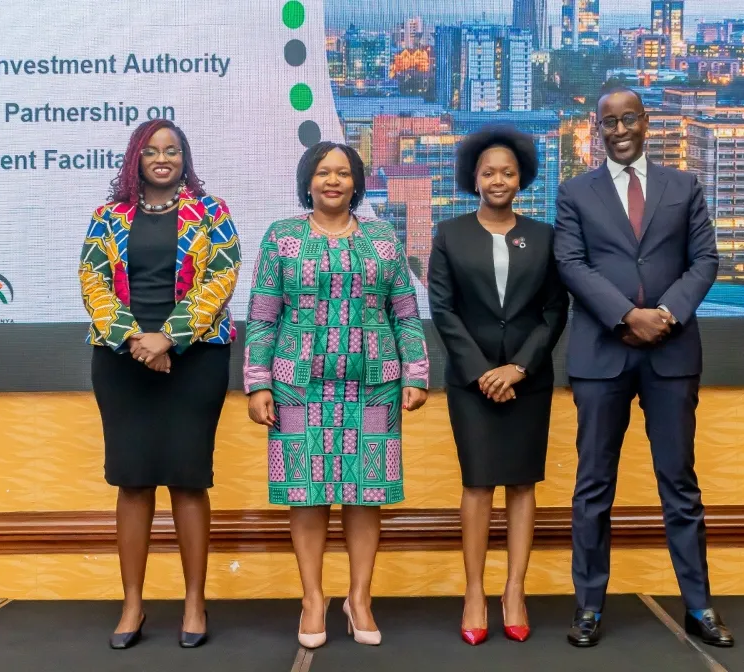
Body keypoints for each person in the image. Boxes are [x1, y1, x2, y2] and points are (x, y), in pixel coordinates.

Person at [553, 87, 733, 648]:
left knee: (679, 482)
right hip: (601, 354)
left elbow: (706, 259)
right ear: (597, 128)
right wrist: (627, 315)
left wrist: (667, 314)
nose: (620, 128)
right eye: (609, 121)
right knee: (593, 487)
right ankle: (588, 607)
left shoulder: (684, 186)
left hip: (672, 353)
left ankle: (698, 607)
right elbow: (570, 263)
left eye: (629, 118)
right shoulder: (574, 192)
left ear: (646, 122)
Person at [243, 141, 429, 648]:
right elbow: (262, 316)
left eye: (343, 173)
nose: (332, 181)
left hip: (373, 385)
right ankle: (312, 600)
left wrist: (415, 373)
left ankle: (359, 598)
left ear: (356, 183)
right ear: (308, 181)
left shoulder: (383, 238)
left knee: (366, 494)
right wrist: (257, 383)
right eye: (323, 172)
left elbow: (406, 313)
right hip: (296, 386)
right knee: (305, 495)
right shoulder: (281, 238)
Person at [79, 119, 241, 650]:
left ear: (184, 158)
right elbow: (93, 282)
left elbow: (222, 276)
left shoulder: (211, 213)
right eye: (152, 151)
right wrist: (134, 341)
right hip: (122, 361)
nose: (163, 158)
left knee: (189, 479)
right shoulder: (108, 218)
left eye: (173, 150)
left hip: (194, 361)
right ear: (137, 159)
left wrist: (167, 338)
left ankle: (195, 604)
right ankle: (133, 604)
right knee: (133, 479)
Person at [428, 126, 568, 646]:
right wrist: (484, 371)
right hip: (471, 381)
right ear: (473, 177)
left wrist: (519, 369)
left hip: (528, 382)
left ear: (522, 177)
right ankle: (473, 592)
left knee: (523, 483)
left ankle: (514, 590)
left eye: (508, 172)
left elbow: (555, 310)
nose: (498, 180)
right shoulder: (450, 233)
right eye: (489, 172)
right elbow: (442, 310)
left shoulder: (546, 236)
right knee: (478, 484)